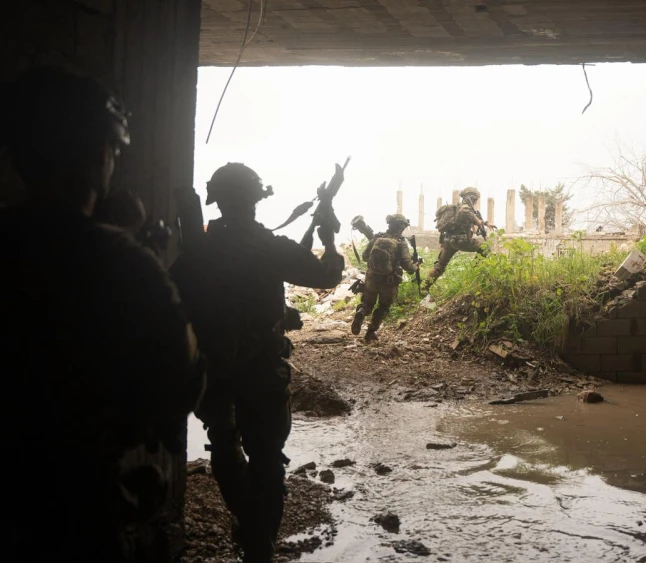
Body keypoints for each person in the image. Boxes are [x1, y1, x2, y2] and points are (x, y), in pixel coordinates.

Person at [0, 67, 205, 561]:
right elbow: (184, 382)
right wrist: (148, 257)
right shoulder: (124, 261)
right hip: (73, 504)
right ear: (100, 155)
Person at [169, 162, 345, 563]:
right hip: (262, 370)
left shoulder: (199, 247)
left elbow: (179, 297)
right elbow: (325, 277)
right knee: (267, 457)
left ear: (216, 199)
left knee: (224, 442)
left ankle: (252, 529)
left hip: (213, 369)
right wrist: (328, 237)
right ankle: (259, 541)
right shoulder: (269, 246)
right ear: (256, 199)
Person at [352, 213, 420, 341]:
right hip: (388, 281)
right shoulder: (401, 242)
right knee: (383, 307)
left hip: (371, 278)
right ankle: (370, 333)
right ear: (401, 227)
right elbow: (408, 267)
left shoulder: (377, 237)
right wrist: (416, 266)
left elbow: (365, 256)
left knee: (367, 303)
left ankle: (361, 312)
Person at [423, 187, 494, 290]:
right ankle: (473, 275)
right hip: (461, 240)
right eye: (475, 199)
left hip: (449, 240)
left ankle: (425, 287)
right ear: (471, 198)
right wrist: (482, 222)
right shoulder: (464, 208)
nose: (476, 201)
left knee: (440, 266)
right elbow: (466, 213)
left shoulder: (457, 208)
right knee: (485, 248)